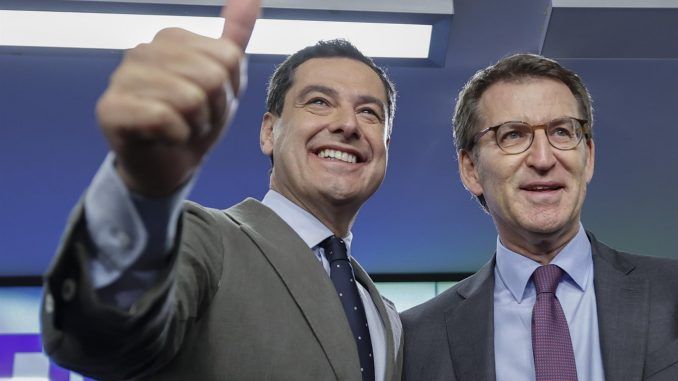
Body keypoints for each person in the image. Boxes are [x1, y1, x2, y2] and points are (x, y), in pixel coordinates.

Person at [40, 1, 402, 380]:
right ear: (268, 132)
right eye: (319, 102)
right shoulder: (204, 240)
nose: (347, 123)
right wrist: (142, 185)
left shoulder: (385, 315)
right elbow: (100, 335)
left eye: (369, 112)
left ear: (385, 144)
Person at [401, 53, 678, 381]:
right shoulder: (418, 336)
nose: (543, 159)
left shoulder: (671, 291)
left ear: (587, 157)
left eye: (561, 131)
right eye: (513, 135)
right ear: (471, 169)